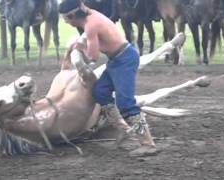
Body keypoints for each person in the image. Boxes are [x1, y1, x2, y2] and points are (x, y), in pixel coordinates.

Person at [58, 0, 157, 157]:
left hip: (124, 60)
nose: (67, 23)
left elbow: (94, 57)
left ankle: (147, 144)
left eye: (66, 19)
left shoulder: (91, 25)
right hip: (118, 60)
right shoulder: (91, 17)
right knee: (100, 91)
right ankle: (123, 128)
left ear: (72, 15)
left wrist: (80, 48)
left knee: (126, 103)